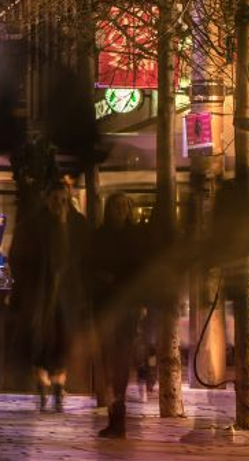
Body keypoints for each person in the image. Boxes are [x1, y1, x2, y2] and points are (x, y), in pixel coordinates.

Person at [9, 176, 87, 410]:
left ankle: (58, 386)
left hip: (67, 295)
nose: (59, 204)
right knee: (39, 341)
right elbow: (17, 257)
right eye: (55, 199)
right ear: (47, 200)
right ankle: (44, 383)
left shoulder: (78, 225)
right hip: (39, 294)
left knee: (64, 339)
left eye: (63, 200)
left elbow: (86, 259)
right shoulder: (32, 225)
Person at [86, 193, 150, 437]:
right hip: (105, 303)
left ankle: (119, 414)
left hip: (127, 304)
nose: (121, 211)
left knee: (120, 358)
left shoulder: (136, 237)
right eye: (117, 206)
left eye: (125, 206)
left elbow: (142, 269)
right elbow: (88, 267)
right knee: (107, 357)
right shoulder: (100, 237)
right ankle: (115, 413)